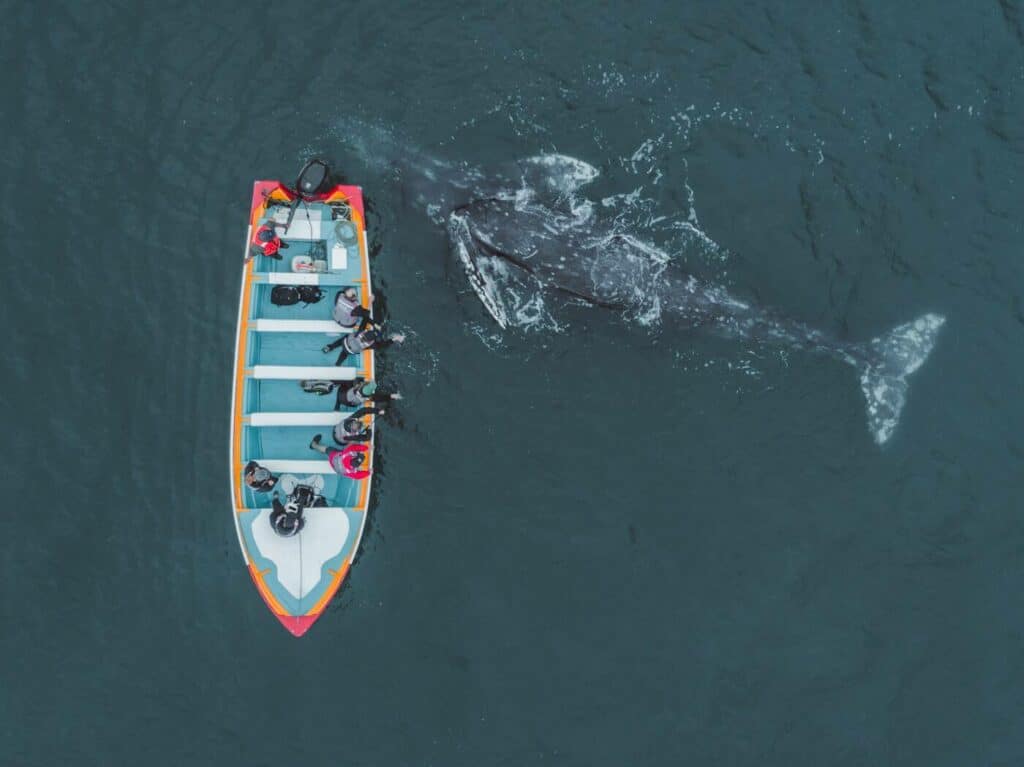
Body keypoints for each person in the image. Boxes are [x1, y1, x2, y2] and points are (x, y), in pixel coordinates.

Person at [322, 323, 405, 366]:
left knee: (340, 342)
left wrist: (375, 325)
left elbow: (365, 319)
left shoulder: (360, 331)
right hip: (350, 350)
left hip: (345, 342)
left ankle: (329, 347)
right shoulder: (372, 344)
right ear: (372, 340)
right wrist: (395, 339)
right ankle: (337, 364)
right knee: (344, 353)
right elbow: (383, 344)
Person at [333, 378, 402, 411]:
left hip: (344, 396)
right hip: (347, 401)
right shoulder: (369, 397)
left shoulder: (357, 386)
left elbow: (357, 381)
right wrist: (392, 396)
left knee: (347, 382)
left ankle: (334, 384)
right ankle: (338, 403)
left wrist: (364, 381)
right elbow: (381, 398)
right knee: (346, 385)